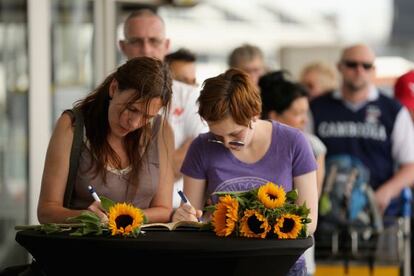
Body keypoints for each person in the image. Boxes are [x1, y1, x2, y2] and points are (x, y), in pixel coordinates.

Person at [173, 68, 318, 275]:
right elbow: (193, 217)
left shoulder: (293, 142)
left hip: (282, 266)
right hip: (221, 264)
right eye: (217, 135)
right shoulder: (202, 147)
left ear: (254, 114)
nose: (226, 143)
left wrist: (255, 223)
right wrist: (185, 217)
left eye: (234, 133)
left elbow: (309, 221)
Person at [37, 57, 175, 224]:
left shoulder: (161, 130)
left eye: (147, 116)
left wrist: (125, 217)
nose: (134, 123)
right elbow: (46, 211)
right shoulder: (72, 126)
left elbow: (164, 209)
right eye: (131, 109)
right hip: (86, 247)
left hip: (143, 248)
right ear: (114, 88)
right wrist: (85, 216)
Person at [310, 44, 414, 217]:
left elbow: (410, 165)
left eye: (366, 66)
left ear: (373, 70)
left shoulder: (393, 110)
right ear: (340, 67)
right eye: (352, 64)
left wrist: (386, 192)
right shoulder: (316, 108)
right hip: (327, 212)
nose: (359, 70)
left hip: (380, 214)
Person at [119, 9, 207, 208]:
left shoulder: (190, 95)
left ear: (166, 45)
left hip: (178, 214)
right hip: (119, 215)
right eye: (136, 41)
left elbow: (196, 152)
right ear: (122, 46)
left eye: (154, 41)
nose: (146, 49)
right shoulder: (108, 96)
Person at [259, 71, 326, 276]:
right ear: (274, 115)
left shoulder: (311, 145)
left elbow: (310, 201)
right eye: (297, 113)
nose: (304, 120)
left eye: (306, 112)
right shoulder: (250, 144)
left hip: (295, 249)